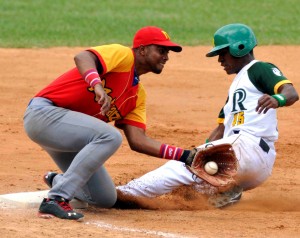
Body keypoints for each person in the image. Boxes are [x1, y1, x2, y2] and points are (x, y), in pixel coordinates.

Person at [116, 23, 299, 208]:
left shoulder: (259, 68)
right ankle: (226, 190)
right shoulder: (237, 89)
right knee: (191, 188)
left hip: (247, 148)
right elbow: (220, 129)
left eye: (222, 53)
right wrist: (204, 149)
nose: (220, 59)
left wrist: (278, 99)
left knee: (181, 166)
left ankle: (125, 193)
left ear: (239, 48)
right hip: (252, 167)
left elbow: (291, 92)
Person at [23, 26, 195, 220]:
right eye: (161, 50)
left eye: (168, 52)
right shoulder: (124, 56)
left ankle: (58, 180)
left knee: (104, 198)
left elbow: (138, 141)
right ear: (142, 49)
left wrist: (187, 156)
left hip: (70, 138)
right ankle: (55, 199)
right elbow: (83, 57)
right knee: (109, 135)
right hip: (44, 114)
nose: (166, 57)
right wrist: (96, 85)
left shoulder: (138, 95)